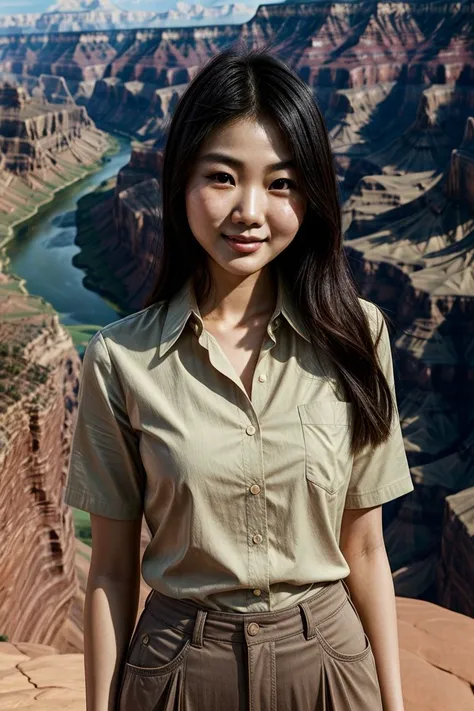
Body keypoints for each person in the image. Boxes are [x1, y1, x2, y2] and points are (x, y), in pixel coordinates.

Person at [63, 45, 414, 711]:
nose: (251, 210)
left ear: (310, 196)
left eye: (281, 183)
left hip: (329, 672)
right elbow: (109, 572)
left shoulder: (356, 336)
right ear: (180, 183)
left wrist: (392, 705)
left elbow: (366, 549)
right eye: (223, 177)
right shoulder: (120, 360)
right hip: (179, 673)